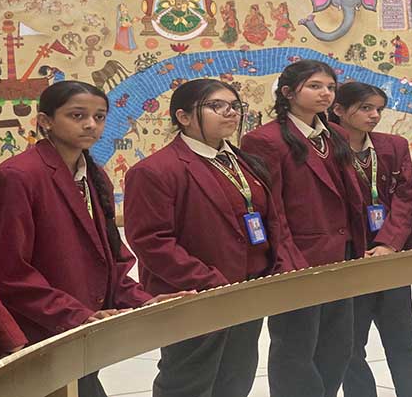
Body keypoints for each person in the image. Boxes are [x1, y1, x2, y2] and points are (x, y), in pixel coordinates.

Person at [0, 81, 185, 397]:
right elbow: (11, 272)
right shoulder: (18, 176)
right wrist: (76, 314)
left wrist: (142, 300)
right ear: (45, 121)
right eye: (77, 115)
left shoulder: (94, 176)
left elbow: (110, 257)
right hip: (39, 333)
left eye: (99, 116)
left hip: (82, 331)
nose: (91, 124)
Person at [125, 79, 305, 397]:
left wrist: (276, 268)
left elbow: (271, 220)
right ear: (183, 116)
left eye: (235, 106)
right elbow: (151, 241)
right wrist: (210, 282)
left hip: (247, 291)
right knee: (188, 382)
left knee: (236, 378)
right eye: (216, 106)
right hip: (195, 295)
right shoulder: (155, 170)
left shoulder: (246, 162)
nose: (230, 112)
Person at [241, 60, 366, 397]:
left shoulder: (336, 134)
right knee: (296, 346)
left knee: (338, 345)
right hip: (298, 258)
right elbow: (272, 208)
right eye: (314, 86)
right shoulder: (264, 140)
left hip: (342, 255)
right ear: (288, 92)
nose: (325, 93)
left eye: (330, 87)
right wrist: (287, 258)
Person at [329, 82, 412, 397]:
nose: (374, 115)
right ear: (339, 110)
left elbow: (405, 198)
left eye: (379, 109)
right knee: (350, 344)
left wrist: (389, 243)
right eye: (365, 108)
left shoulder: (393, 145)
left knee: (402, 338)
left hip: (390, 257)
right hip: (350, 258)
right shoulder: (326, 149)